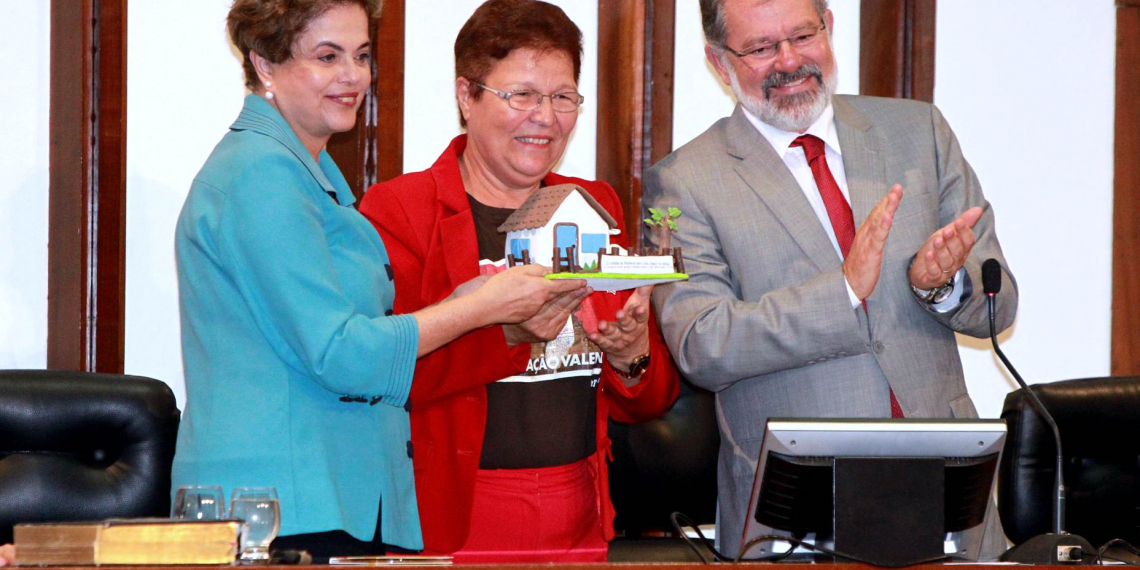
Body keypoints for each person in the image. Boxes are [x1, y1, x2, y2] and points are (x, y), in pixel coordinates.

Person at [172, 0, 584, 559]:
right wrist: (480, 308)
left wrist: (472, 304)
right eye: (327, 56)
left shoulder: (305, 170)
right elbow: (342, 352)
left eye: (362, 55)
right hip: (280, 509)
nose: (352, 76)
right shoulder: (261, 175)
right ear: (264, 64)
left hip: (324, 497)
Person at [643, 0, 1017, 559]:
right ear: (719, 63)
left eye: (802, 35)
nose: (790, 60)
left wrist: (941, 285)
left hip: (946, 490)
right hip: (795, 506)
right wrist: (842, 292)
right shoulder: (682, 182)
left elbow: (998, 304)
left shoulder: (919, 132)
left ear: (829, 27)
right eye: (762, 48)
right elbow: (702, 343)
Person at [359, 0, 680, 562]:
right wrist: (507, 334)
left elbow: (645, 400)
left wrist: (632, 356)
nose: (546, 117)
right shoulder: (401, 210)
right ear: (467, 95)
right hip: (459, 515)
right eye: (522, 95)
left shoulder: (592, 204)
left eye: (562, 97)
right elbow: (386, 373)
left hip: (581, 509)